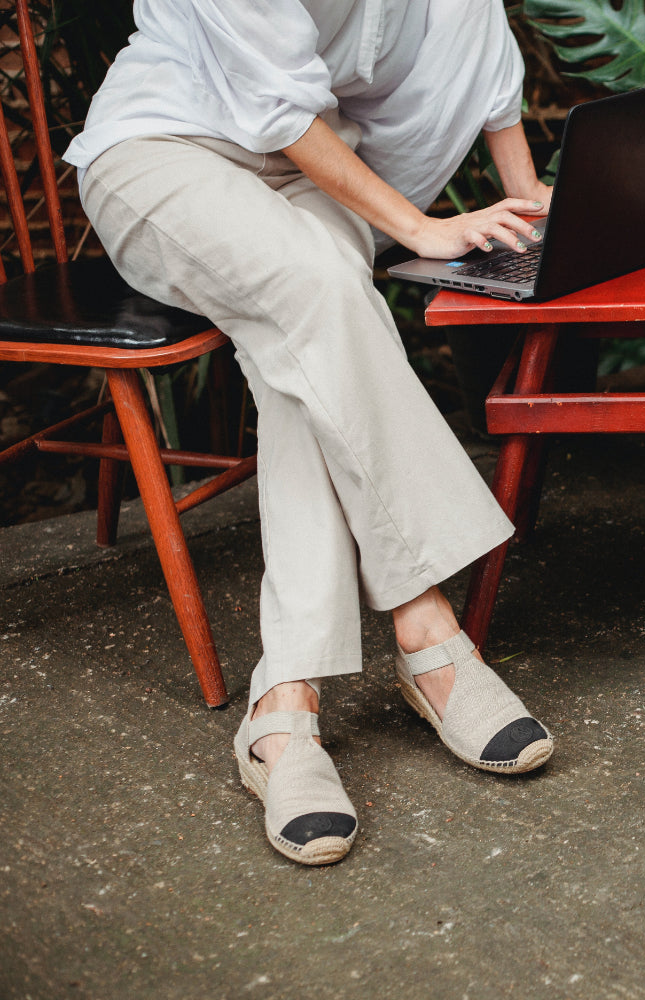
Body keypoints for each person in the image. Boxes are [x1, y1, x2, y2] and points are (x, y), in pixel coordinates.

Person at [65, 0, 558, 865]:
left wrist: (525, 198)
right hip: (163, 153)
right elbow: (282, 107)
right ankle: (428, 631)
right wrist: (417, 226)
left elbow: (477, 43)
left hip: (306, 173)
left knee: (304, 354)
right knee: (324, 294)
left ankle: (283, 710)